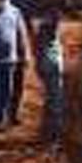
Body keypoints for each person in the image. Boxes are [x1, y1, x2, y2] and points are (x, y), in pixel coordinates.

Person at [0, 0, 30, 132]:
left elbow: (21, 34)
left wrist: (25, 55)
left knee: (7, 91)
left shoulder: (15, 12)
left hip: (10, 59)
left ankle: (1, 120)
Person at [35, 8, 65, 144]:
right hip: (51, 68)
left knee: (50, 101)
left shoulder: (44, 29)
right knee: (55, 102)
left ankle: (46, 133)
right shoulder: (47, 30)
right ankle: (54, 136)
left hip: (49, 67)